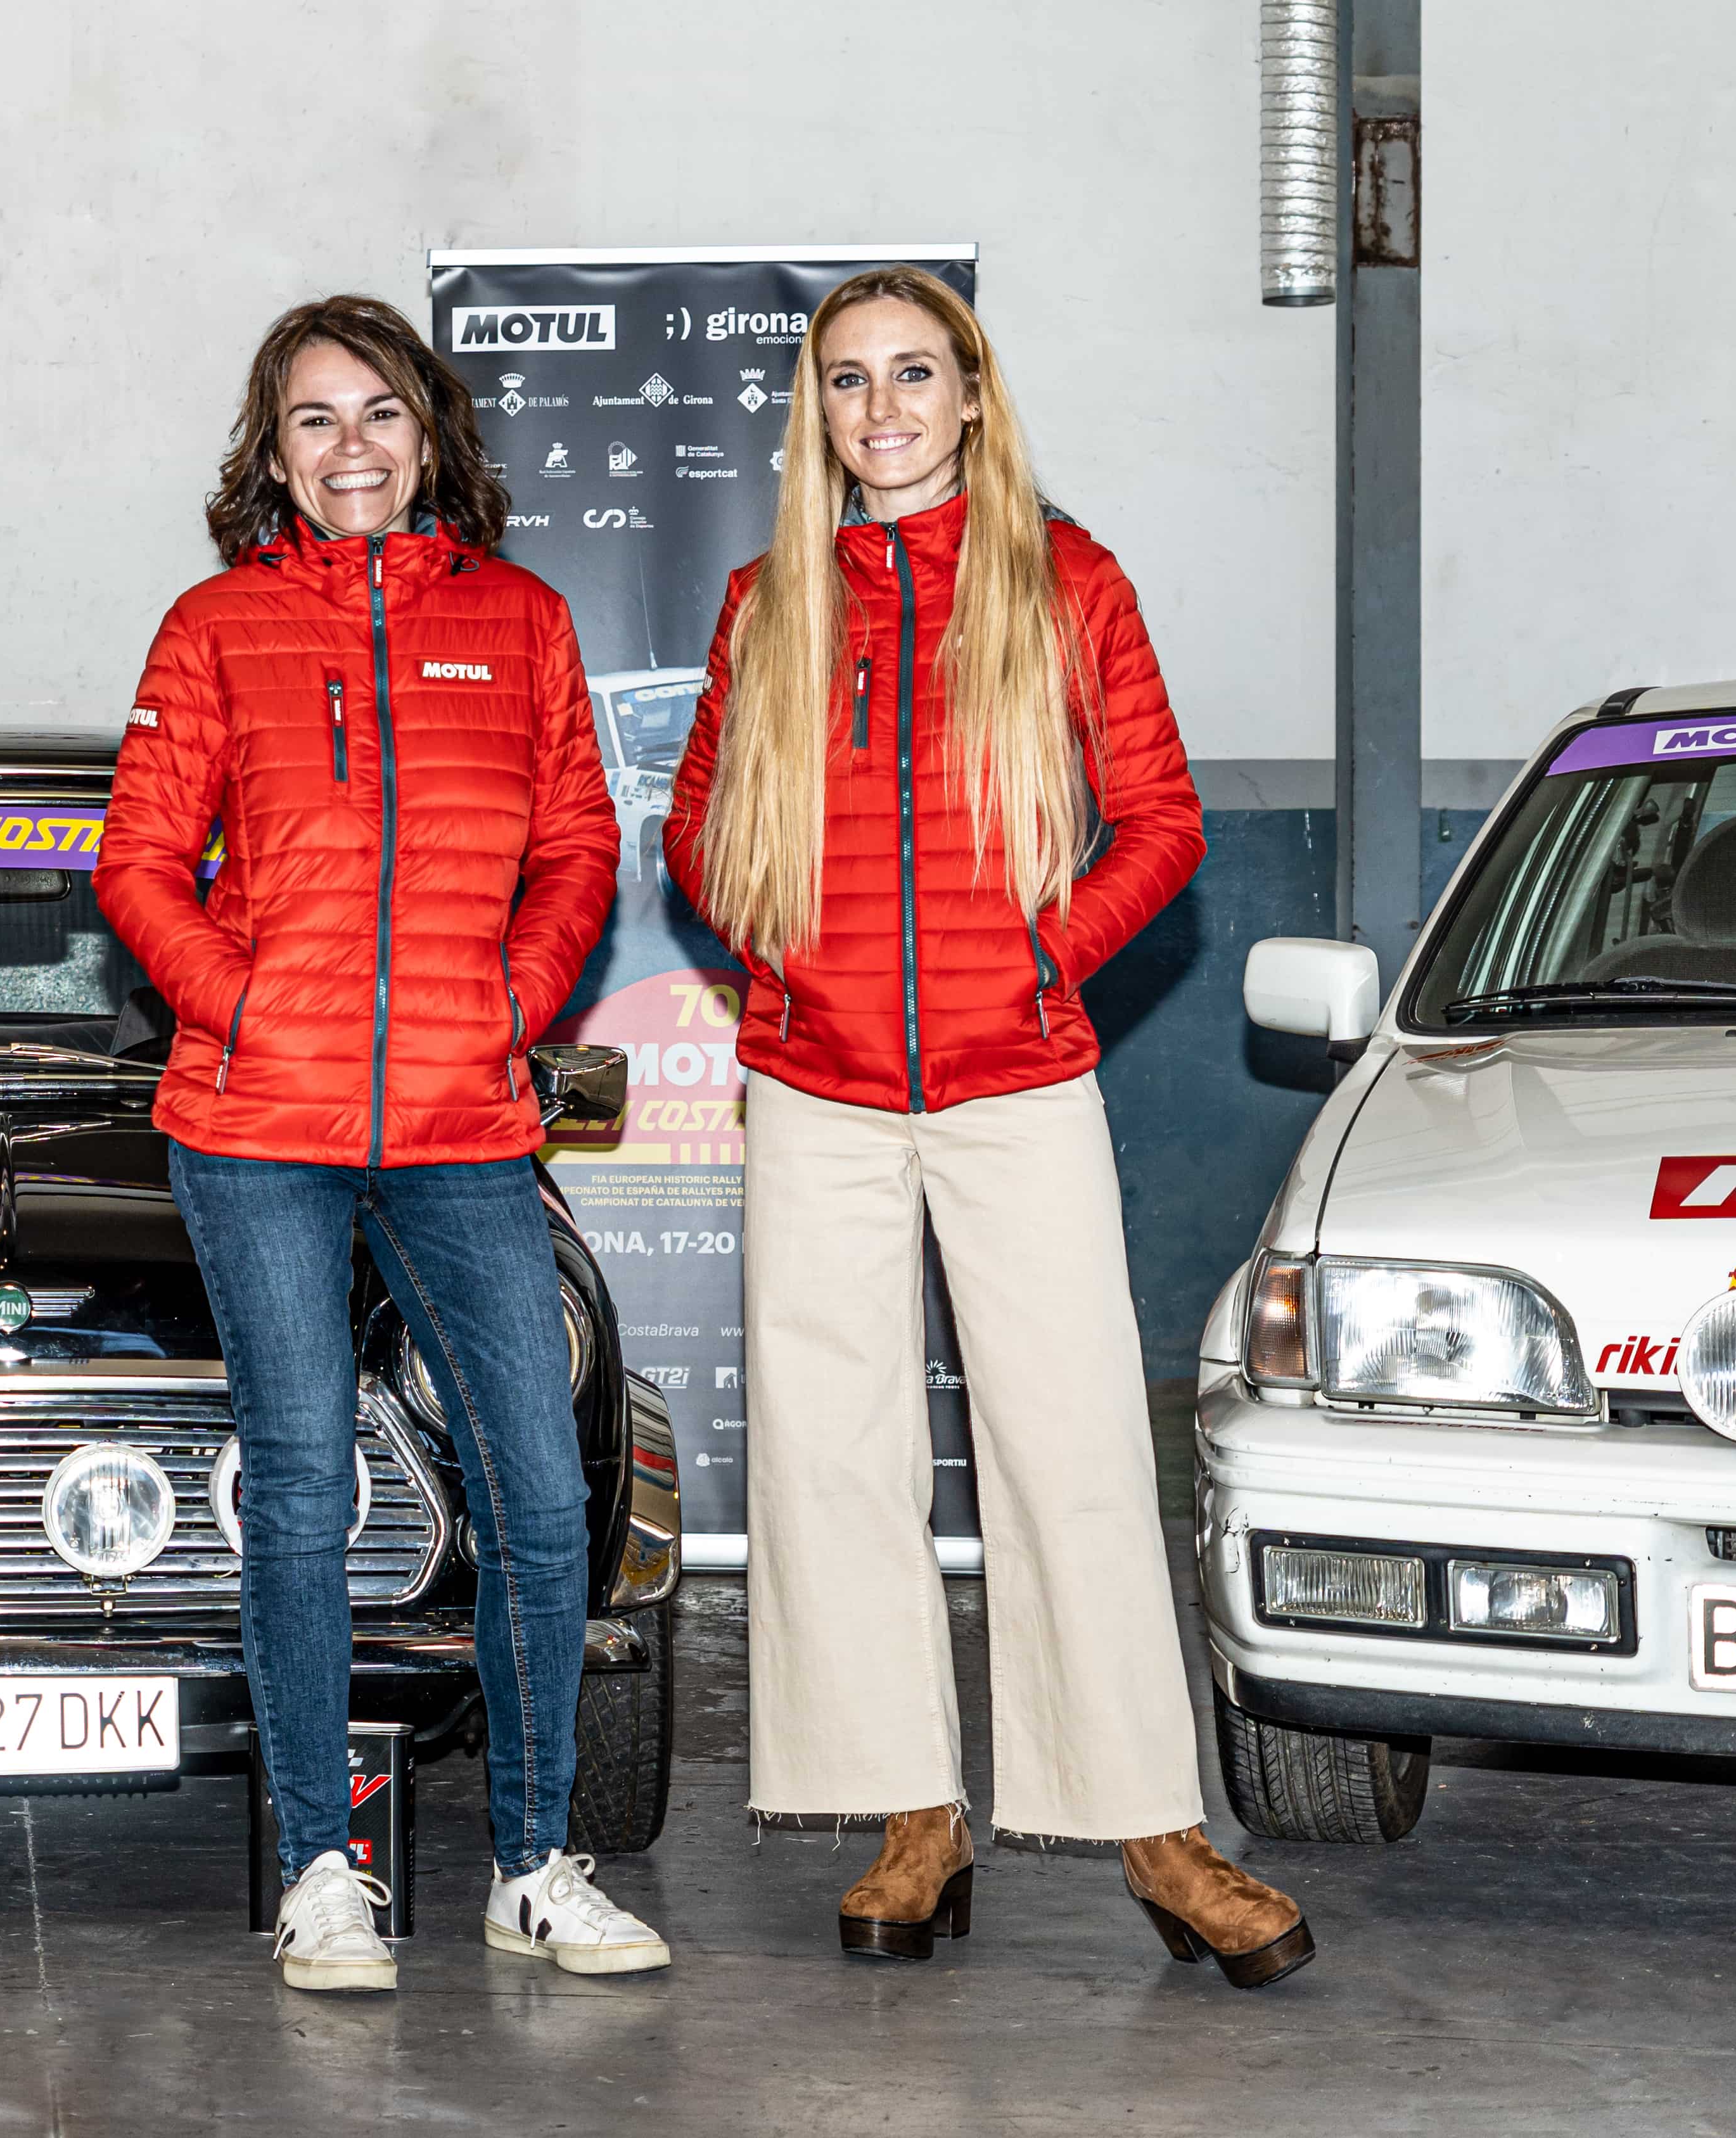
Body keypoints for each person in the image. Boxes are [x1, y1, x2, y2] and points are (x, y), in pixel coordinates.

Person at [662, 267, 1312, 1988]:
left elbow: (1162, 824)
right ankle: (908, 1817)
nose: (882, 408)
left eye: (914, 375)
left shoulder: (1066, 581)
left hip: (1021, 1084)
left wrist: (1041, 958)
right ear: (821, 415)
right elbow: (694, 831)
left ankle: (1157, 1834)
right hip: (819, 1092)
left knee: (1081, 1446)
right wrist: (782, 958)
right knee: (833, 1451)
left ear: (971, 395)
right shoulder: (765, 601)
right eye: (850, 382)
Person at [99, 295, 667, 1994]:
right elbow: (136, 863)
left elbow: (578, 846)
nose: (352, 447)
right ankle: (322, 1872)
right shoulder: (214, 628)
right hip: (257, 1125)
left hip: (462, 1119)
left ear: (431, 433)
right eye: (313, 422)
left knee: (547, 1495)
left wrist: (513, 1000)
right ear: (271, 458)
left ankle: (535, 1861)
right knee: (295, 1491)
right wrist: (241, 1000)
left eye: (379, 414)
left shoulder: (522, 621)